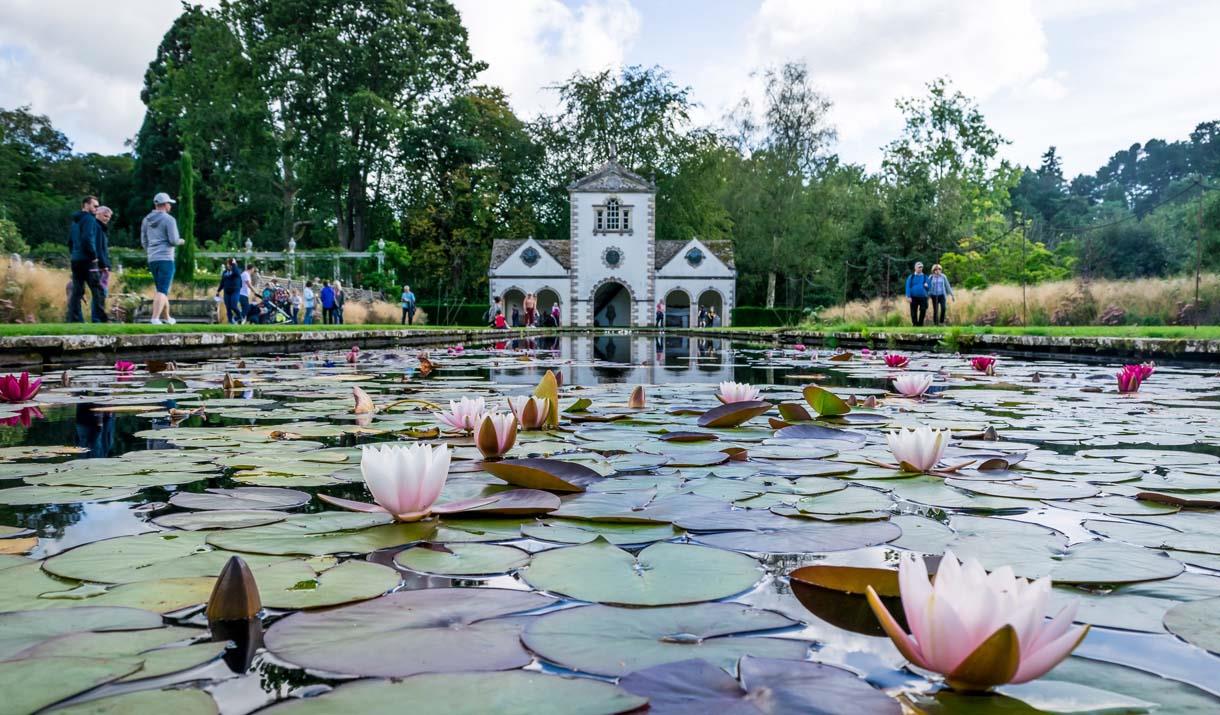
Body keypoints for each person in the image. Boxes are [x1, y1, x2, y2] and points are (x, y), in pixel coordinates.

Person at [140, 192, 185, 325]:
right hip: (166, 258)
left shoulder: (146, 220)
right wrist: (181, 241)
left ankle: (167, 317)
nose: (170, 206)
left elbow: (144, 241)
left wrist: (151, 250)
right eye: (169, 204)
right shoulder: (169, 220)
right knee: (162, 290)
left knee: (162, 288)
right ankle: (155, 318)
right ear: (165, 205)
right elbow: (173, 240)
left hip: (152, 258)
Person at [67, 195, 108, 323]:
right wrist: (94, 257)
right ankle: (101, 318)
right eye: (94, 206)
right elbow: (87, 238)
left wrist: (74, 254)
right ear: (86, 205)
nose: (96, 208)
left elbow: (70, 241)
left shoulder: (75, 221)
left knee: (77, 290)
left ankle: (73, 319)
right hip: (88, 260)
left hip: (76, 259)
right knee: (98, 289)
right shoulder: (89, 219)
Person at [94, 206, 114, 314]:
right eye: (105, 216)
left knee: (100, 291)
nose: (107, 219)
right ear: (98, 214)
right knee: (100, 292)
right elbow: (99, 248)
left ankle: (99, 316)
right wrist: (104, 264)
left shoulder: (100, 228)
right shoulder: (97, 228)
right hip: (100, 265)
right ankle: (98, 316)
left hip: (100, 264)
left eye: (109, 217)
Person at [217, 259, 242, 324]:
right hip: (227, 291)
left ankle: (240, 316)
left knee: (233, 306)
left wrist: (233, 264)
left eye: (230, 264)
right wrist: (218, 290)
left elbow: (236, 273)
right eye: (228, 264)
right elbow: (222, 282)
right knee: (228, 307)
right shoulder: (225, 272)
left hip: (235, 290)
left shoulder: (237, 271)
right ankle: (230, 322)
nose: (228, 265)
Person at [905, 261, 930, 327]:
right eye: (919, 267)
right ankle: (915, 324)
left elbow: (929, 288)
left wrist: (927, 286)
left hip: (923, 296)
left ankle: (920, 324)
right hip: (913, 297)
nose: (920, 268)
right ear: (915, 268)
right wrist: (908, 296)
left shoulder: (925, 277)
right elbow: (908, 287)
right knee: (913, 311)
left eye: (921, 267)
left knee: (923, 310)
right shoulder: (911, 277)